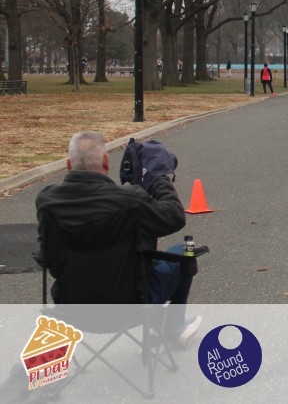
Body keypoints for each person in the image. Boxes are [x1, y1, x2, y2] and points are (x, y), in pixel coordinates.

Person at [35, 132, 202, 348]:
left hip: (71, 308)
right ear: (106, 162)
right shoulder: (129, 199)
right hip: (132, 308)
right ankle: (172, 328)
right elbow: (175, 216)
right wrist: (159, 179)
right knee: (183, 252)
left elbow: (47, 256)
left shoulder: (47, 202)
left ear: (68, 164)